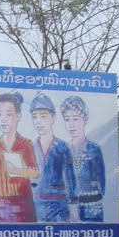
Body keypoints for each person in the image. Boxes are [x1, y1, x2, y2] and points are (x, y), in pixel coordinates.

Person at [0, 92, 39, 222]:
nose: (3, 119)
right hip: (0, 204)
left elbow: (35, 172)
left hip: (22, 203)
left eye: (8, 114)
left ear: (18, 116)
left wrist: (16, 171)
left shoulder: (26, 144)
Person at [29, 92, 75, 222]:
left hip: (59, 204)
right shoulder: (30, 147)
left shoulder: (62, 146)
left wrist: (73, 204)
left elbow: (71, 177)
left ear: (53, 118)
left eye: (43, 117)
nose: (38, 122)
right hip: (36, 204)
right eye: (35, 117)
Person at [61, 95, 105, 222]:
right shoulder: (64, 149)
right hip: (69, 208)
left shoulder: (94, 149)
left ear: (84, 119)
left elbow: (102, 181)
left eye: (75, 119)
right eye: (67, 120)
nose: (71, 124)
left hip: (92, 206)